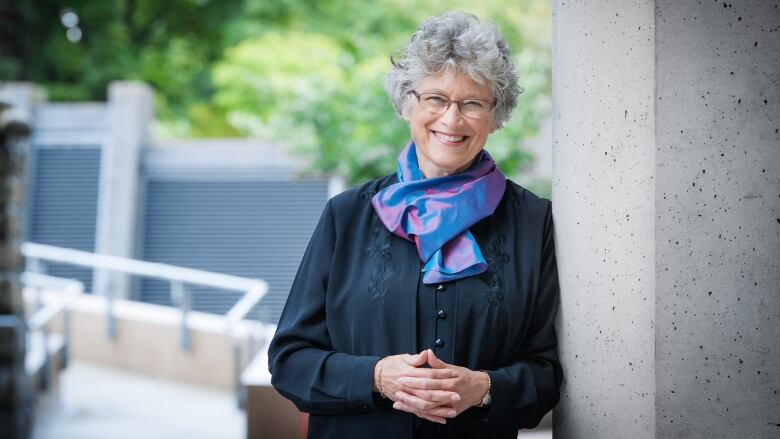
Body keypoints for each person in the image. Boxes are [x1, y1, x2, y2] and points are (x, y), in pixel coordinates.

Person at [268, 11, 562, 438]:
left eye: (473, 103)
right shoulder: (346, 215)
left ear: (496, 115)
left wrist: (484, 389)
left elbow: (546, 374)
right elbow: (290, 361)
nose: (452, 119)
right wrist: (377, 376)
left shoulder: (533, 222)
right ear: (408, 103)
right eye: (436, 99)